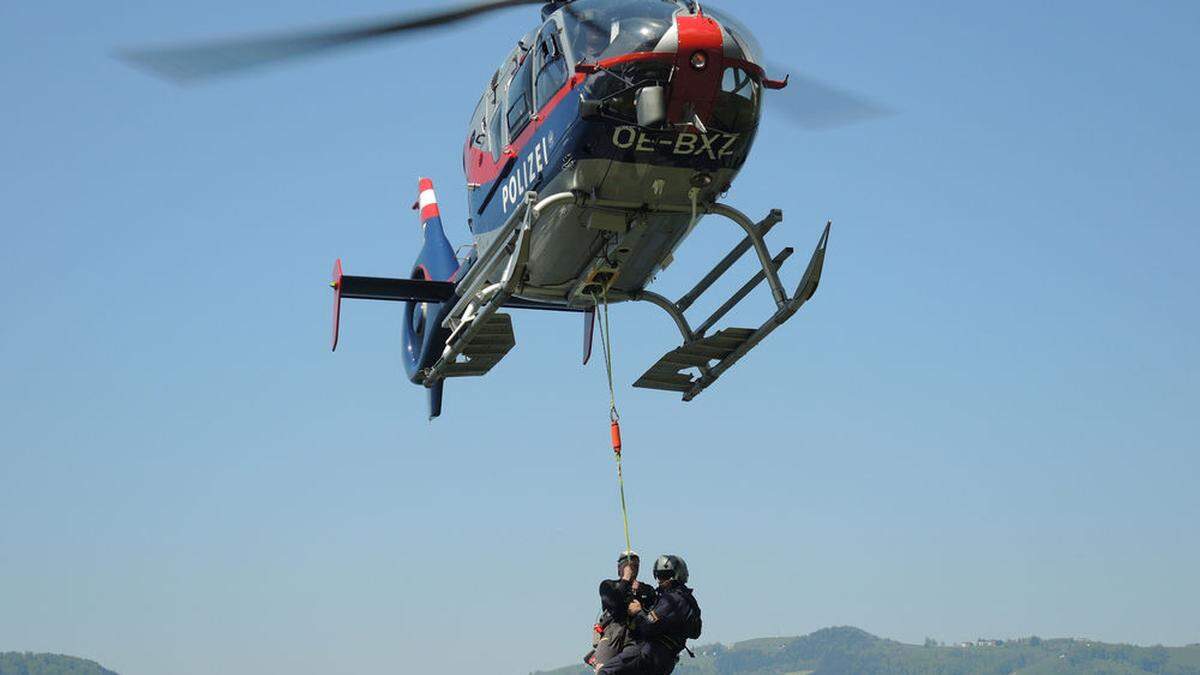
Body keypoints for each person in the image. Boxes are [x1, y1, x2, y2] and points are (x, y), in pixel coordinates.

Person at [596, 554, 702, 675]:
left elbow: (649, 627)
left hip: (650, 653)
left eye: (665, 576)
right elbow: (695, 632)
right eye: (660, 576)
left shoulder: (671, 600)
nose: (661, 580)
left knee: (605, 672)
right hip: (666, 660)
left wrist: (638, 612)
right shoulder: (687, 600)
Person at [585, 551, 658, 669]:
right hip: (613, 631)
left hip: (635, 635)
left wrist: (639, 591)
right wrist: (625, 580)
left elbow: (653, 604)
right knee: (603, 669)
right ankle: (596, 660)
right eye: (629, 565)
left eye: (636, 566)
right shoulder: (608, 585)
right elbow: (614, 606)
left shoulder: (645, 589)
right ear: (619, 568)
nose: (633, 568)